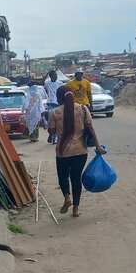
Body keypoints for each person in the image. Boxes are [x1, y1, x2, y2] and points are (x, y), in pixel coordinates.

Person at [47, 88, 105, 218]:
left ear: (59, 98)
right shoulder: (83, 109)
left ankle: (67, 197)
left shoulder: (55, 112)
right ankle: (76, 208)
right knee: (76, 178)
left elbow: (51, 131)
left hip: (63, 152)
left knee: (63, 177)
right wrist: (98, 146)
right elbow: (91, 127)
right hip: (80, 151)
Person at [44, 69, 65, 143]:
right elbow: (41, 82)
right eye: (54, 75)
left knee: (58, 121)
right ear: (51, 76)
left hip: (58, 104)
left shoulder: (60, 83)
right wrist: (47, 74)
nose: (56, 76)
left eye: (56, 75)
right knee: (51, 121)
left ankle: (55, 136)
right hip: (51, 104)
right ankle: (51, 134)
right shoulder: (48, 83)